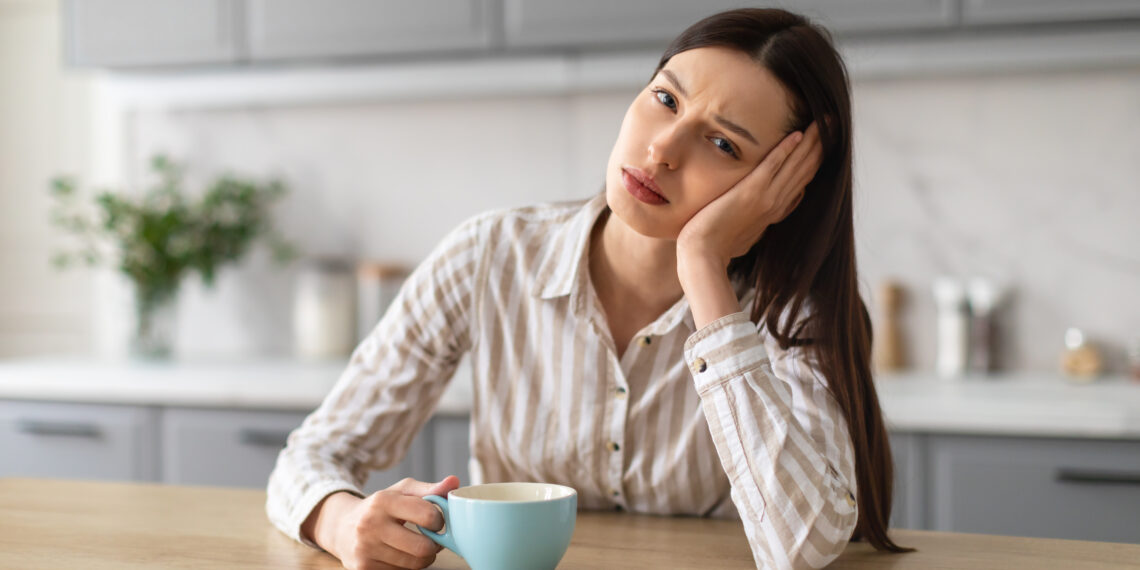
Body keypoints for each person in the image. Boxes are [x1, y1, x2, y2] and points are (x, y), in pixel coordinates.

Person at [267, 7, 913, 569]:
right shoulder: (491, 254)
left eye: (722, 143)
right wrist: (343, 522)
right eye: (665, 99)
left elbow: (802, 546)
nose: (662, 150)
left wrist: (703, 268)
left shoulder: (794, 312)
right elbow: (313, 456)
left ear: (781, 190)